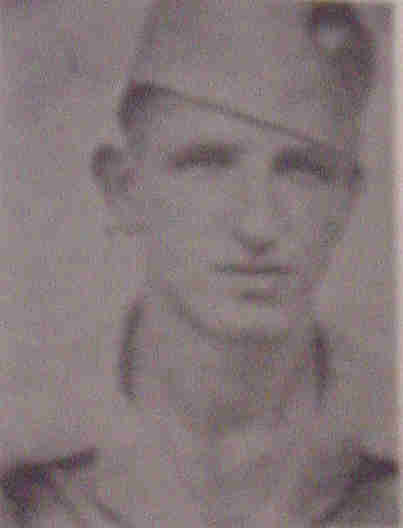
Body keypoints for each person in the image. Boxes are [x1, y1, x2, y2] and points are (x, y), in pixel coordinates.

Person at [0, 1, 398, 526]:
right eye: (208, 164)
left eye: (301, 171)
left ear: (346, 201)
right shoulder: (22, 469)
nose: (258, 223)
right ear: (124, 188)